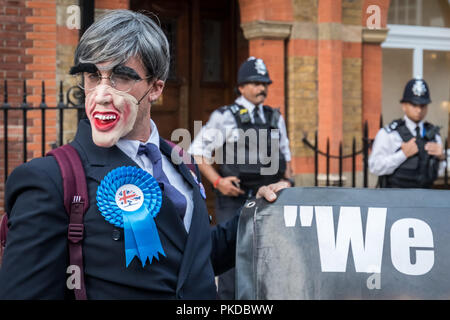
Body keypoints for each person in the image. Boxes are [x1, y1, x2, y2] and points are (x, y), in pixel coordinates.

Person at [0, 10, 288, 299]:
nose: (101, 94)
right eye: (92, 76)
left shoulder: (182, 162)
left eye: (120, 77)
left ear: (156, 88)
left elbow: (190, 260)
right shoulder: (50, 178)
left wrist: (259, 211)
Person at [188, 57, 293, 299]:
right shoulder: (225, 116)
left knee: (270, 261)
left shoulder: (275, 117)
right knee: (232, 266)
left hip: (270, 201)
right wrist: (218, 182)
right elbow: (196, 152)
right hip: (235, 199)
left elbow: (285, 155)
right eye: (255, 83)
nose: (261, 88)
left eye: (264, 83)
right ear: (241, 86)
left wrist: (289, 184)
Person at [369, 78, 446, 188]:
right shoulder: (390, 134)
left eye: (423, 106)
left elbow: (439, 173)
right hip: (396, 199)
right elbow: (375, 167)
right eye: (414, 105)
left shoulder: (433, 134)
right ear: (404, 106)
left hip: (426, 199)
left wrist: (441, 158)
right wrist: (402, 155)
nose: (419, 110)